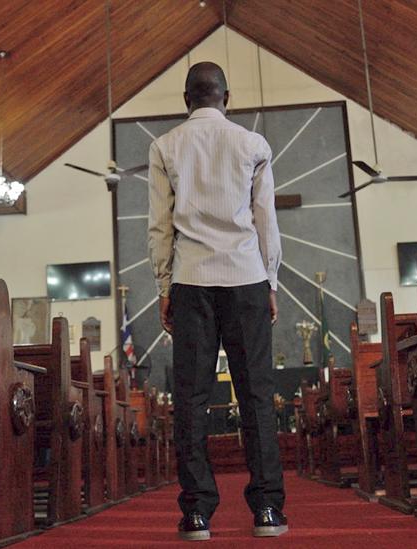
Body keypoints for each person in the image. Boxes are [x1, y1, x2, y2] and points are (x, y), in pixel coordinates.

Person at [147, 61, 286, 541]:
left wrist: (164, 287)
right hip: (246, 277)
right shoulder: (253, 144)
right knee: (256, 398)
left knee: (190, 400)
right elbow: (265, 218)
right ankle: (267, 510)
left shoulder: (165, 146)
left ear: (186, 99)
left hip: (191, 280)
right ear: (227, 96)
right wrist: (270, 280)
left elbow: (160, 226)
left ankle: (197, 514)